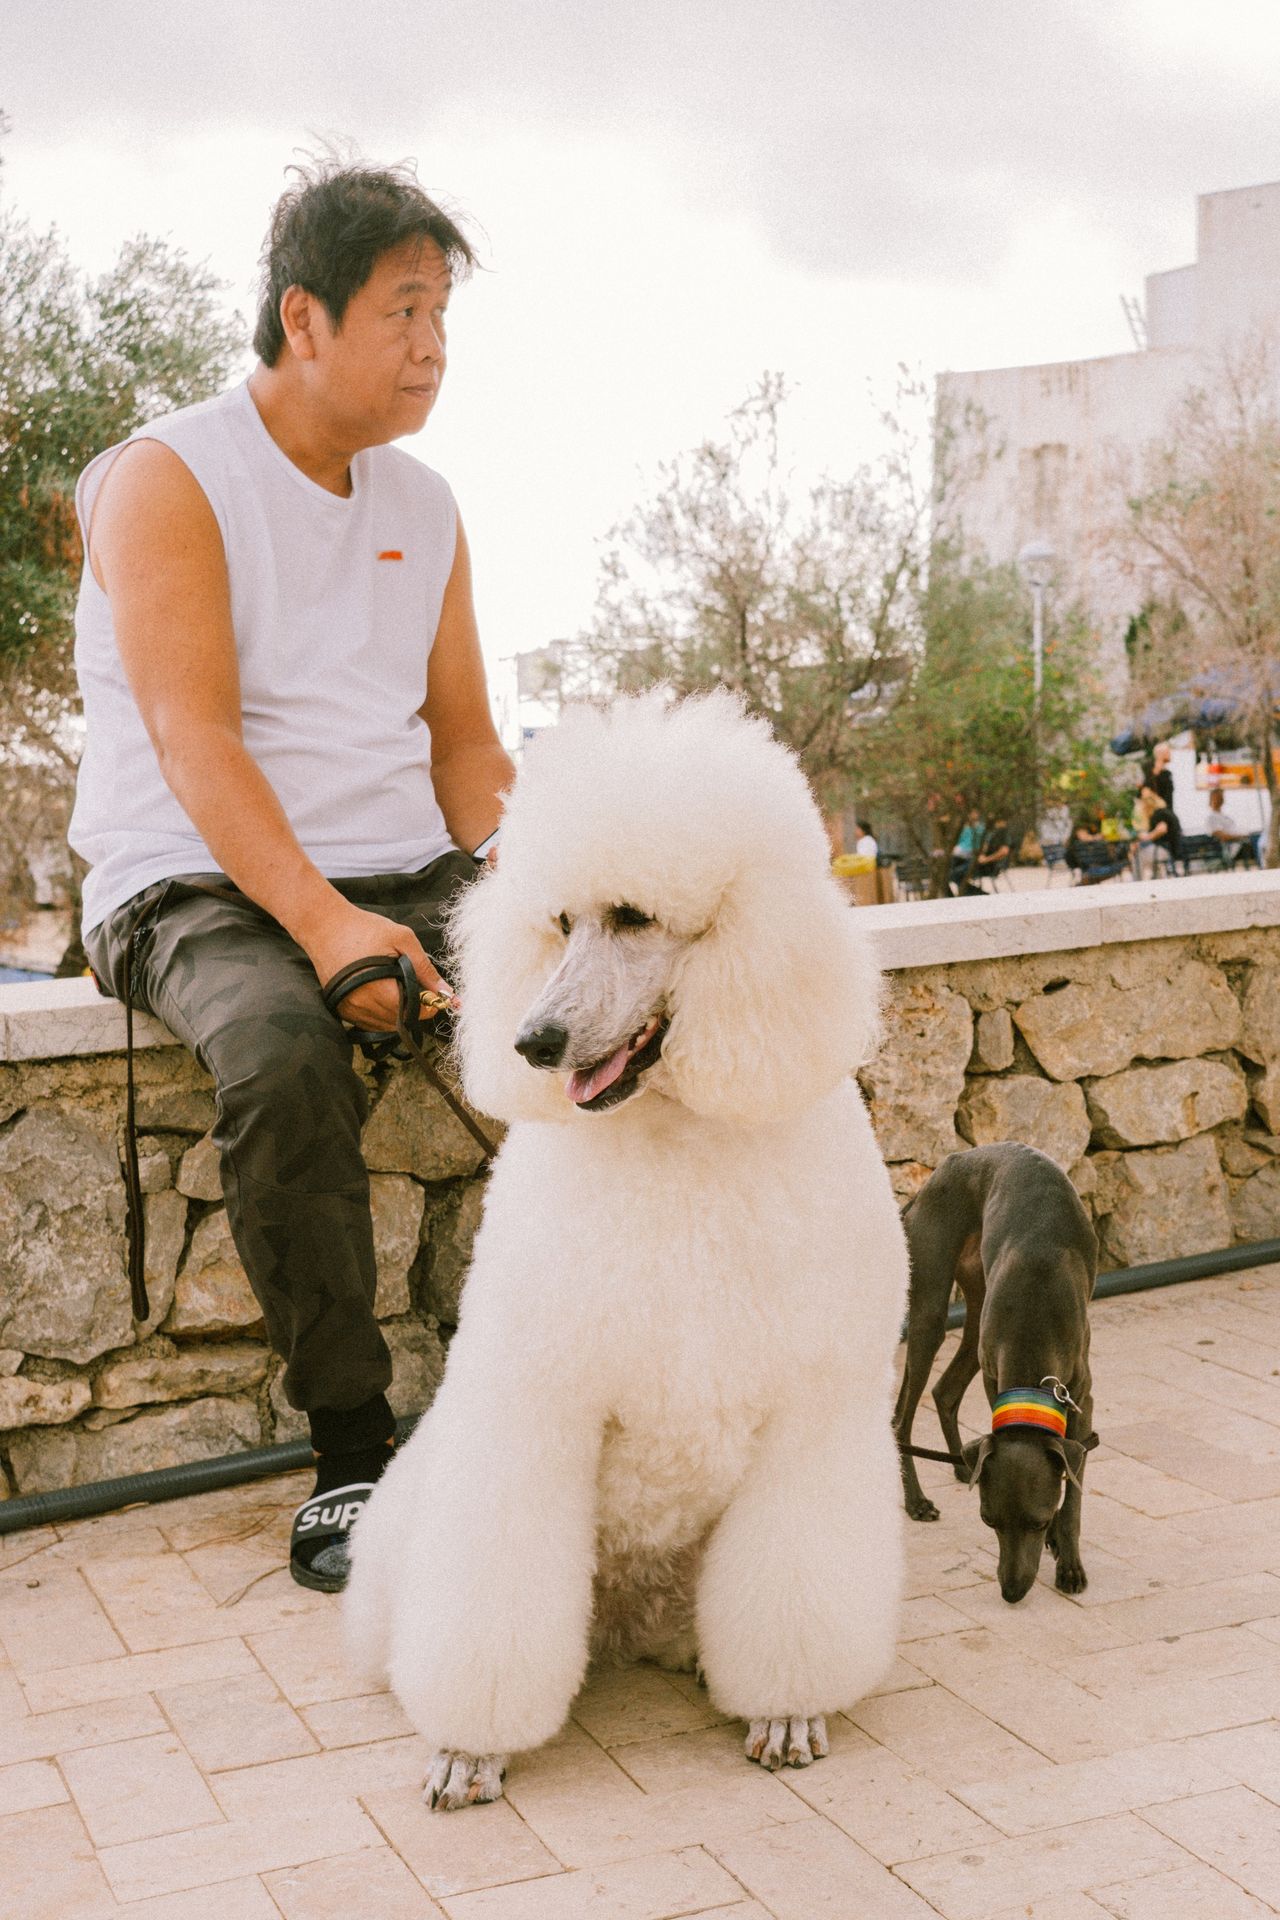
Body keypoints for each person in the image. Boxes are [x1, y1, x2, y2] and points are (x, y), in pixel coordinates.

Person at [70, 157, 516, 1592]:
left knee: (606, 1011)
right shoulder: (166, 477)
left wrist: (551, 891)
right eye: (402, 311)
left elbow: (466, 748)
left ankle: (613, 1389)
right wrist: (327, 927)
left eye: (441, 313)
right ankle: (350, 1452)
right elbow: (192, 737)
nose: (431, 345)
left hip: (397, 861)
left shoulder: (426, 503)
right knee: (278, 1059)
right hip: (188, 879)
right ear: (302, 317)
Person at [1135, 781, 1182, 875]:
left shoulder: (1158, 814)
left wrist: (1146, 838)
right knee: (1142, 848)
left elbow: (1162, 829)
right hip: (1172, 849)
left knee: (1137, 853)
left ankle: (1137, 880)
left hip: (1166, 850)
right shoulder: (1165, 812)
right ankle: (1156, 876)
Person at [948, 808, 984, 895]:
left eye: (975, 812)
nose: (973, 815)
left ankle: (976, 893)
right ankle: (975, 893)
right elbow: (959, 842)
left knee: (953, 874)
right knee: (949, 873)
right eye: (971, 813)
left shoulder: (981, 828)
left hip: (970, 855)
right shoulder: (964, 828)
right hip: (960, 855)